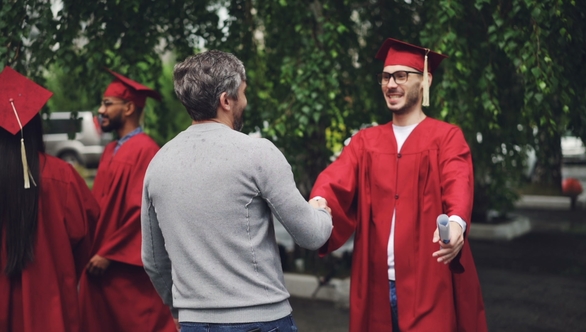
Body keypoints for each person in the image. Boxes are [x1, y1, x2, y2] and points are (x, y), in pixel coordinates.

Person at [141, 50, 333, 332]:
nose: (246, 101)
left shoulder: (158, 163)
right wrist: (321, 211)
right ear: (226, 100)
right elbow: (312, 235)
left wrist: (178, 306)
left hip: (194, 321)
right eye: (243, 93)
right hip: (261, 320)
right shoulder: (258, 153)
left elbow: (153, 260)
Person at [310, 38, 488, 331]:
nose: (390, 84)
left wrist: (456, 223)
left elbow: (459, 181)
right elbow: (334, 179)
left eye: (401, 75)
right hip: (376, 285)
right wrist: (319, 201)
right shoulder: (366, 142)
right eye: (386, 76)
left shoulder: (446, 137)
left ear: (425, 79)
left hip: (431, 284)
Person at [0, 66, 100, 332]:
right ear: (35, 128)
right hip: (49, 309)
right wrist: (59, 266)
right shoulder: (61, 176)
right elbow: (86, 234)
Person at [78, 69, 177, 331]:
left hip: (124, 270)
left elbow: (142, 213)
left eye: (108, 104)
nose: (101, 110)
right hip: (100, 264)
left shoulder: (146, 149)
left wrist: (109, 253)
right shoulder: (112, 149)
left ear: (130, 107)